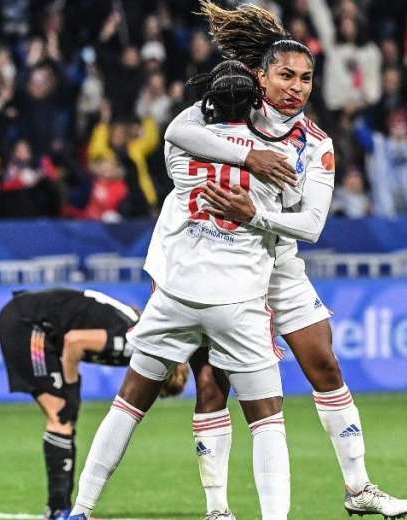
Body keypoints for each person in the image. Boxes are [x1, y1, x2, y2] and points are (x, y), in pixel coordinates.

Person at [162, 3, 407, 519]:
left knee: (324, 362)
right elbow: (176, 133)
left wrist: (255, 213)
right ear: (261, 76)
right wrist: (247, 161)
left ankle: (359, 487)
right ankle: (217, 508)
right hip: (222, 266)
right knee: (213, 382)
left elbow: (313, 226)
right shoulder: (226, 114)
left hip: (278, 263)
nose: (297, 87)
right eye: (285, 75)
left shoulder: (315, 145)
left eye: (306, 78)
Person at [68, 59, 298, 520]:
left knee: (128, 402)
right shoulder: (279, 161)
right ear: (256, 100)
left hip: (177, 295)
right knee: (267, 418)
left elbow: (182, 123)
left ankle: (82, 508)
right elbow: (290, 212)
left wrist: (218, 89)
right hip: (236, 299)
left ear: (208, 101)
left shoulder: (181, 147)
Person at [0, 288, 188, 520]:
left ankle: (59, 509)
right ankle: (59, 511)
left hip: (32, 320)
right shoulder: (135, 345)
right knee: (62, 415)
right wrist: (71, 391)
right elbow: (74, 342)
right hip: (27, 325)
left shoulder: (138, 330)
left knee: (64, 413)